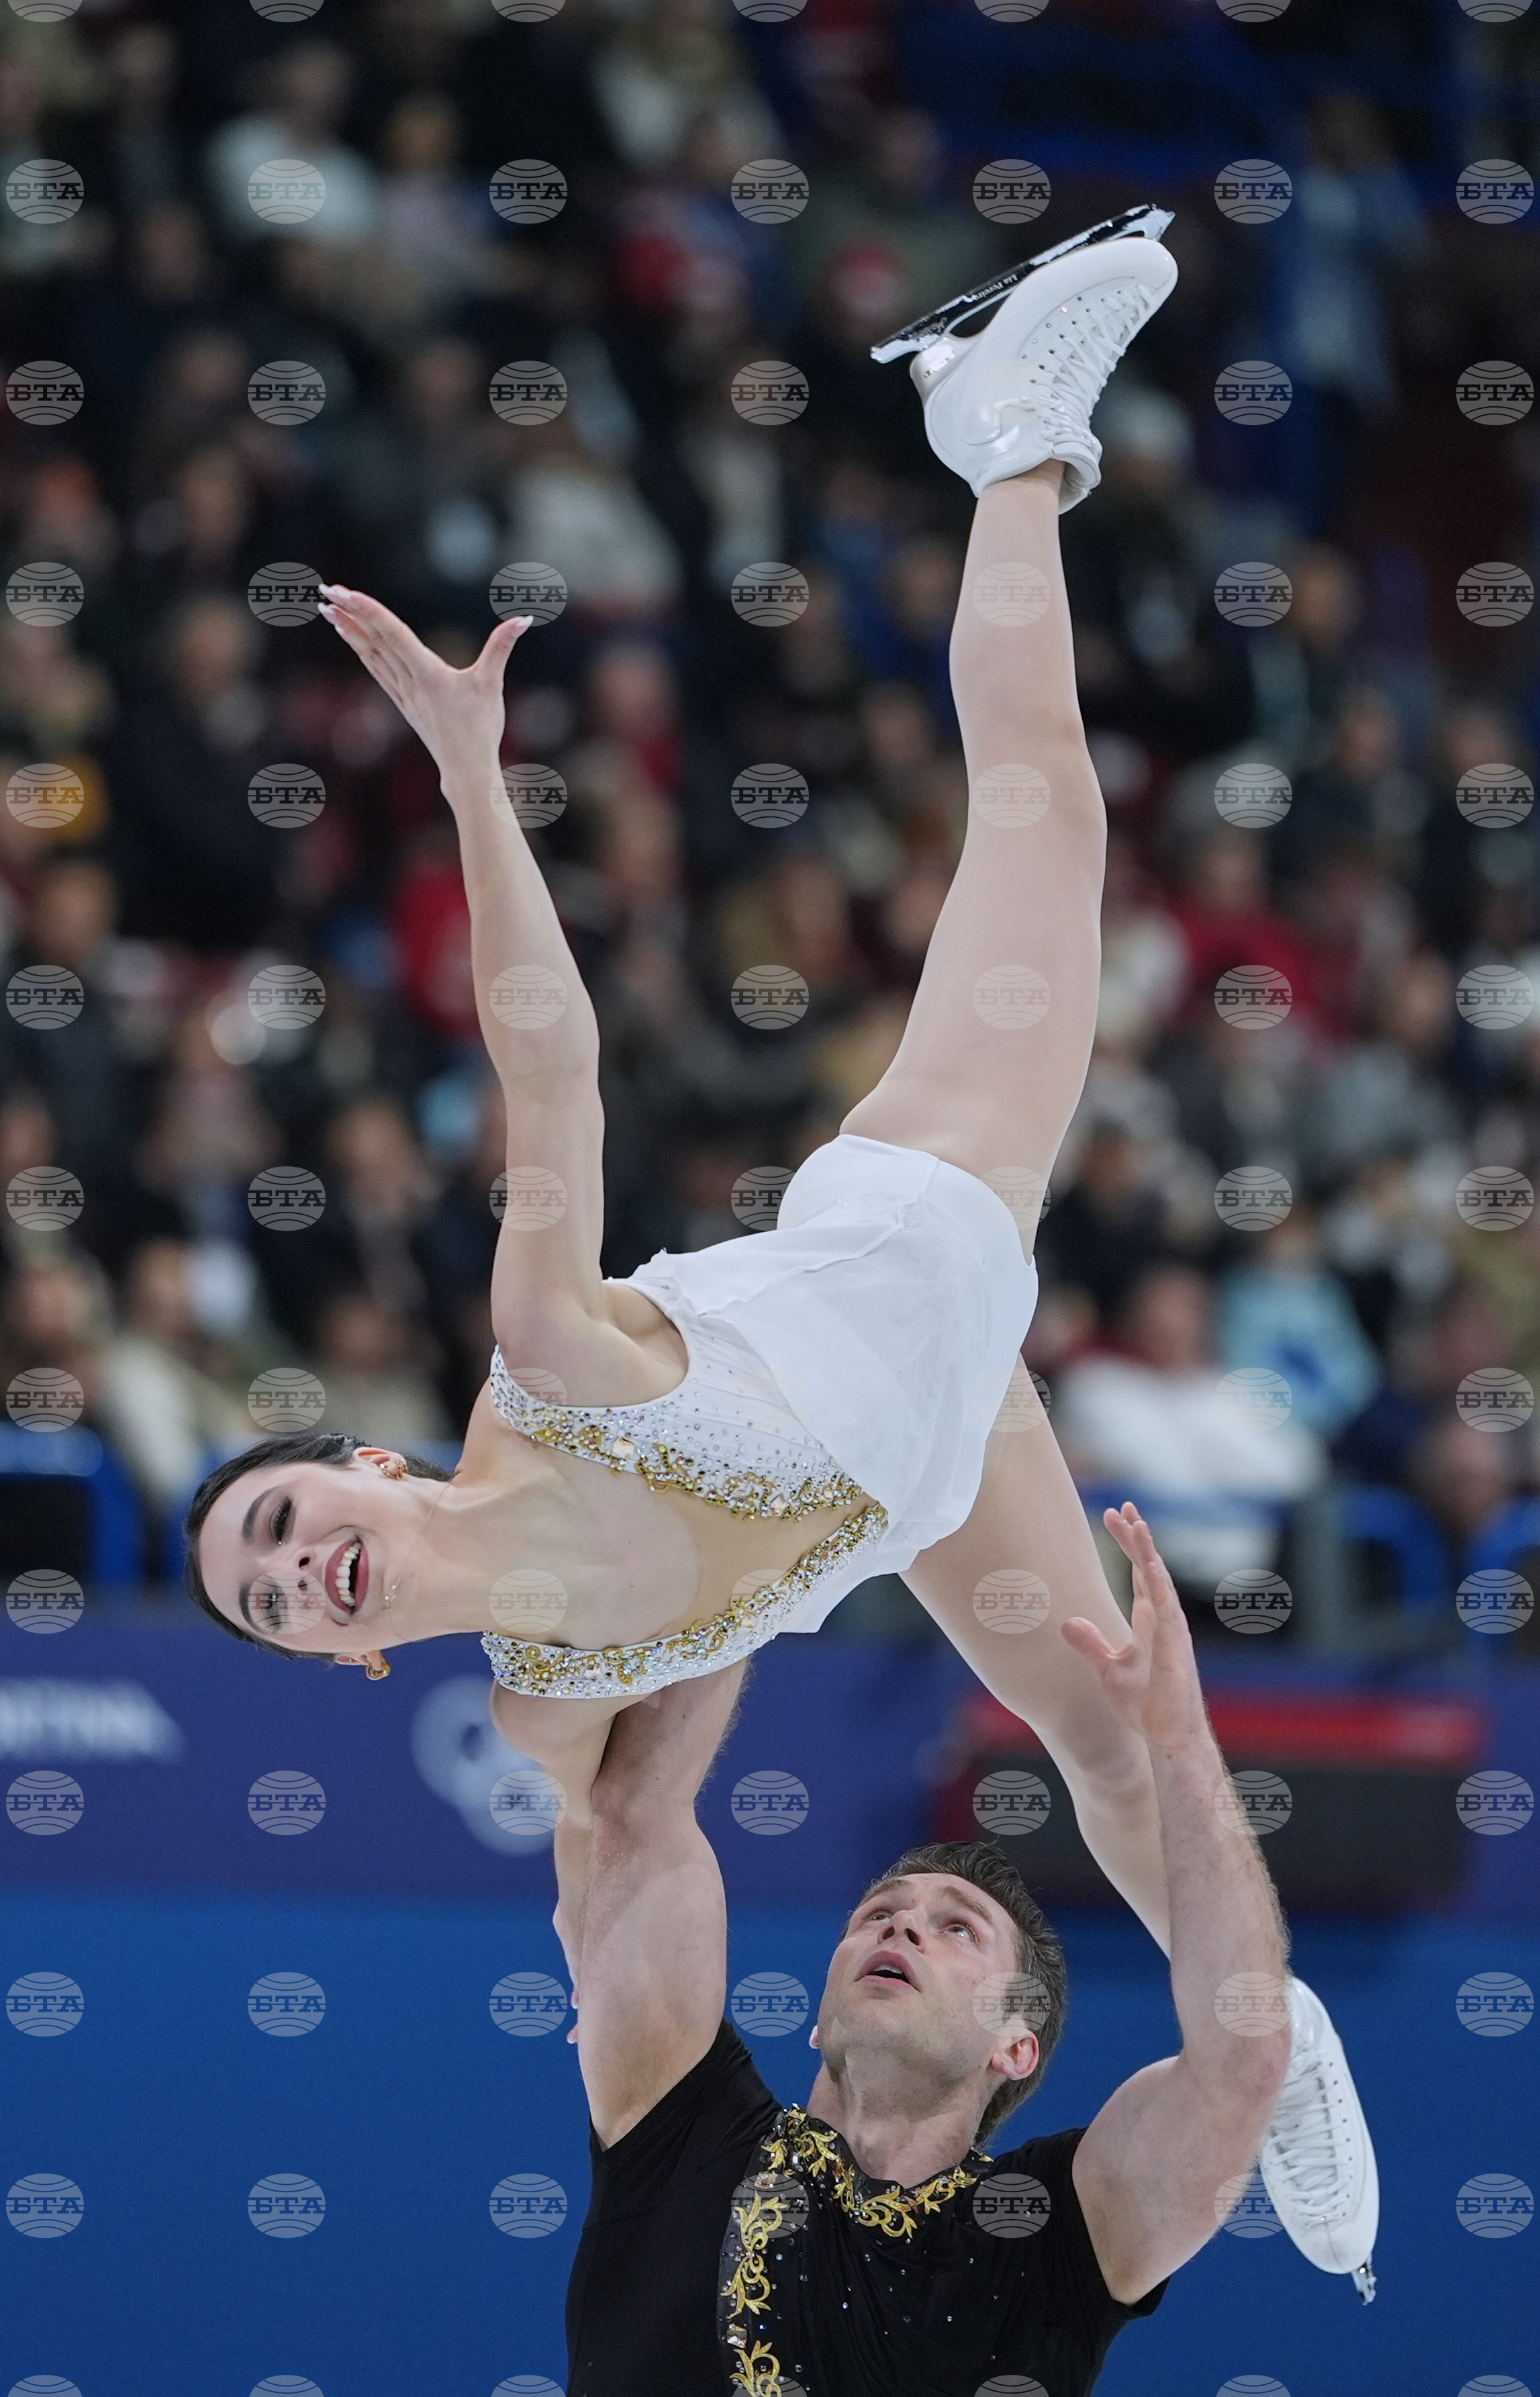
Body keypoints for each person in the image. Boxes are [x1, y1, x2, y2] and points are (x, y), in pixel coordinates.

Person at [180, 211, 1376, 2289]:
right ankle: (1263, 2045)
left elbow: (540, 1066)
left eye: (278, 1519)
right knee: (1099, 1729)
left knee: (1047, 821)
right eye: (277, 1606)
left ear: (362, 1471)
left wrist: (474, 779)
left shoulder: (539, 1365)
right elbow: (653, 1809)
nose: (297, 1566)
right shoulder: (551, 1717)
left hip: (906, 1236)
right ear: (347, 1655)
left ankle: (1003, 428)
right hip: (912, 1470)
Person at [560, 1502, 1308, 2395]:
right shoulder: (683, 2129)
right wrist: (756, 1513)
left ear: (1014, 2042)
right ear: (820, 2013)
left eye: (957, 1926)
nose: (900, 1924)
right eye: (877, 1913)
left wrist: (1182, 1747)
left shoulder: (1050, 2237)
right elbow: (635, 1812)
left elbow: (1243, 2058)